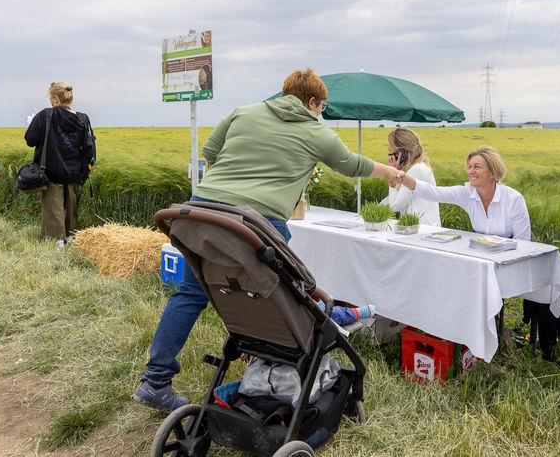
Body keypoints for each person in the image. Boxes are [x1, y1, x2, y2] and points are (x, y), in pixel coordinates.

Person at [133, 68, 401, 414]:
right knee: (271, 300)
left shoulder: (244, 112)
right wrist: (393, 172)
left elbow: (210, 151)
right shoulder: (316, 132)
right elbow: (353, 165)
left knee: (190, 293)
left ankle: (154, 381)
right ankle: (276, 376)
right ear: (313, 102)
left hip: (203, 213)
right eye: (322, 108)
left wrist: (229, 188)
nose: (322, 114)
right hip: (257, 224)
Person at [398, 145, 530, 240]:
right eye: (469, 167)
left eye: (477, 167)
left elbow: (523, 241)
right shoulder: (467, 193)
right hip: (485, 253)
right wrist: (403, 178)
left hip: (513, 256)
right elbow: (434, 193)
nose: (471, 171)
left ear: (492, 172)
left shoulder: (514, 199)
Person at [24, 82, 95, 248]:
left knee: (53, 210)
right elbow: (87, 146)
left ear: (55, 98)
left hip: (51, 171)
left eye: (50, 98)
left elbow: (30, 140)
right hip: (74, 173)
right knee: (71, 210)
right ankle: (71, 240)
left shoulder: (45, 115)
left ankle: (56, 244)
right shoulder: (83, 118)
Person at [380, 127, 441, 226]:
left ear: (402, 153)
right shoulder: (417, 167)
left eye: (391, 146)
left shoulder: (416, 170)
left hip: (423, 230)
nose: (388, 149)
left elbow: (394, 206)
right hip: (420, 228)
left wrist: (393, 177)